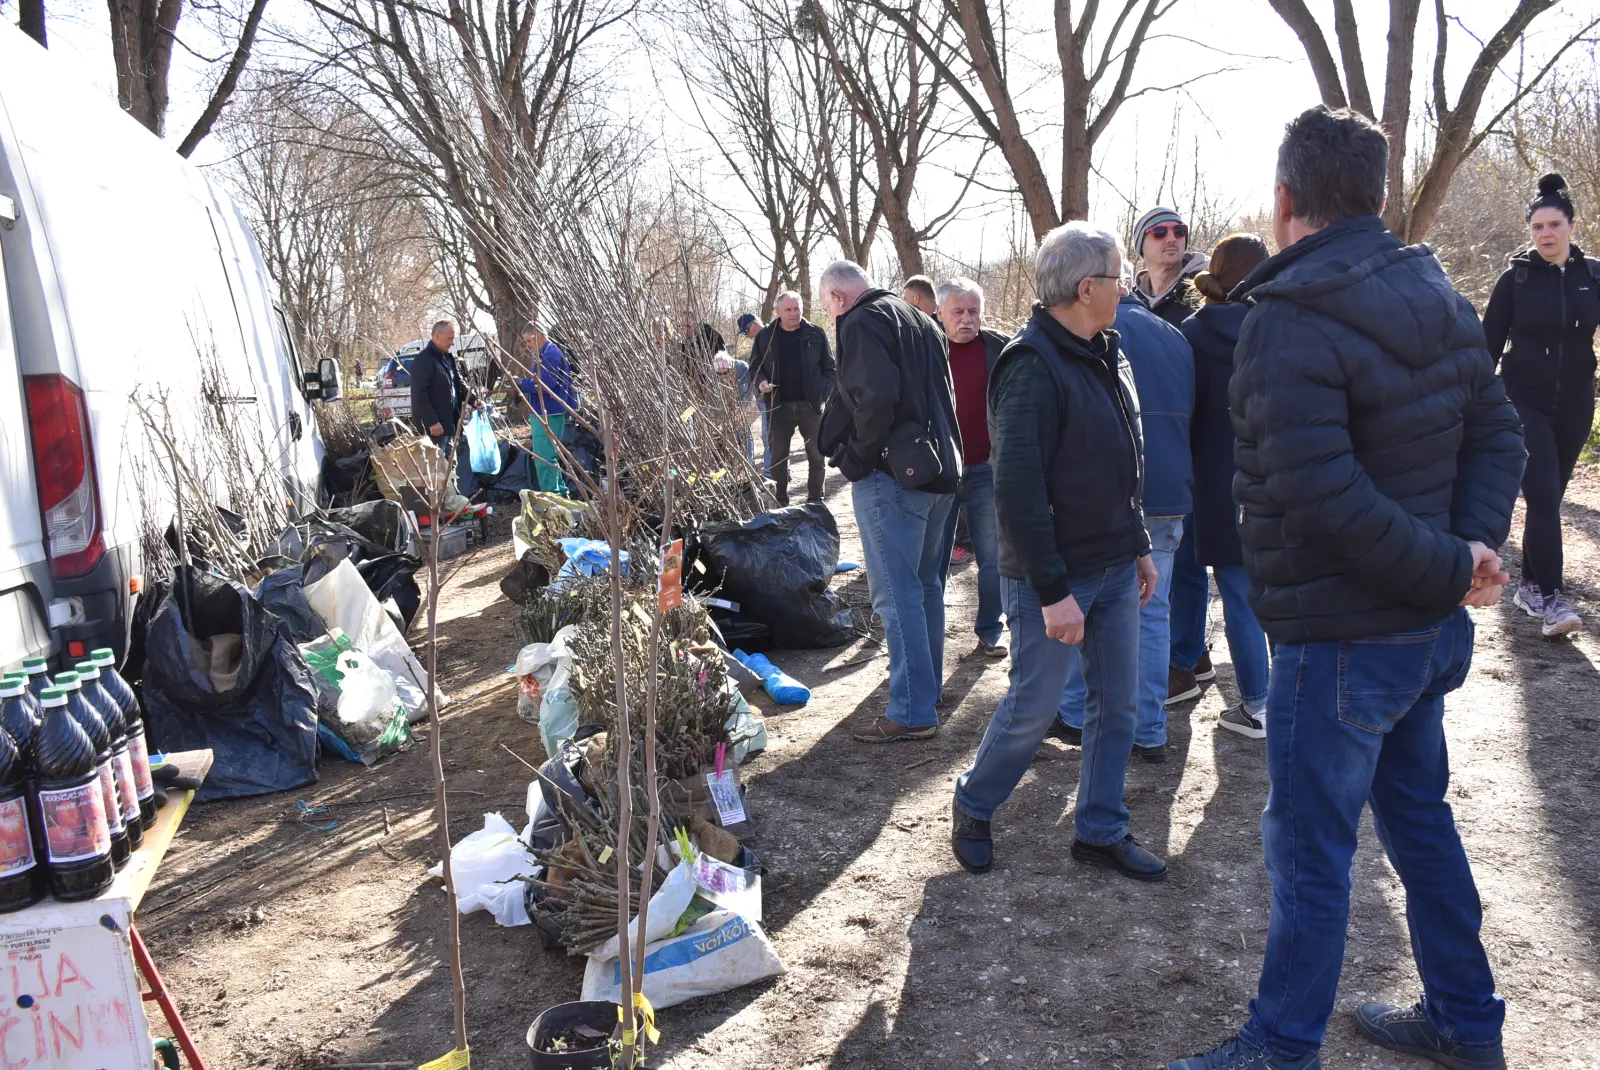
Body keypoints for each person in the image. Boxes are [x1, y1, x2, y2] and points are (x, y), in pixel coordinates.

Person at [1167, 106, 1525, 1070]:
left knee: (1314, 854)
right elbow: (1496, 436)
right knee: (1418, 822)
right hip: (1415, 626)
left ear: (1284, 202)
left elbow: (1324, 500)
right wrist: (1466, 553)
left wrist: (1466, 554)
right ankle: (1465, 1020)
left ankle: (1282, 1048)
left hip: (1347, 641)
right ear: (1374, 196)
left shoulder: (1288, 322)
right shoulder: (1435, 289)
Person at [949, 222, 1164, 880]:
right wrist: (1051, 591)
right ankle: (975, 802)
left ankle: (1099, 828)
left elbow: (1124, 458)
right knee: (1034, 707)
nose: (1126, 287)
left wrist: (1140, 546)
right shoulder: (1031, 366)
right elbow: (1016, 493)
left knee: (1117, 705)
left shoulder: (1104, 348)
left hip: (1114, 567)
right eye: (1119, 276)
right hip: (1054, 578)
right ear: (1086, 286)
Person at [1053, 259, 1193, 762]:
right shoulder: (1176, 335)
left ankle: (1072, 712)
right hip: (1172, 489)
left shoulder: (1095, 332)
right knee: (1154, 614)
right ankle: (1150, 729)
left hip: (1121, 494)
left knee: (1087, 602)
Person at [816, 260, 961, 743]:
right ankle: (926, 691)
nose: (831, 317)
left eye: (827, 308)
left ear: (837, 297)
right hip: (937, 470)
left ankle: (913, 710)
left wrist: (857, 459)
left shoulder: (861, 320)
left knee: (897, 596)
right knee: (924, 589)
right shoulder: (920, 318)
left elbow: (875, 397)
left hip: (894, 476)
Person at [1481, 172, 1600, 639]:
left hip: (1575, 401)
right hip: (1522, 398)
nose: (1546, 234)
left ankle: (1531, 585)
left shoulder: (1593, 275)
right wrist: (1474, 400)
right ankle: (1553, 599)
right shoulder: (1516, 279)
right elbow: (1486, 344)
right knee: (1545, 497)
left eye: (1554, 225)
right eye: (1538, 228)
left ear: (1572, 225)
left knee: (1548, 497)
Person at [1179, 234, 1274, 739]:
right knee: (1282, 590)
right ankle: (1291, 700)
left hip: (1215, 477)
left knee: (1237, 591)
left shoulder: (1189, 334)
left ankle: (1257, 705)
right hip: (1280, 474)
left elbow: (1185, 413)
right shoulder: (1280, 325)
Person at [935, 276, 1011, 658]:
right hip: (940, 471)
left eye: (973, 311)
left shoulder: (999, 348)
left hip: (986, 467)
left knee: (992, 556)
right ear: (940, 313)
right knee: (934, 560)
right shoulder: (927, 348)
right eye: (958, 312)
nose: (967, 319)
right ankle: (928, 640)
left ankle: (990, 630)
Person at [749, 292, 836, 505]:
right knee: (778, 458)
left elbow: (830, 368)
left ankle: (816, 500)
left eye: (797, 309)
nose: (794, 314)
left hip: (811, 406)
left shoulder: (815, 333)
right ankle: (780, 503)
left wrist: (822, 394)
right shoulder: (765, 337)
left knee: (817, 457)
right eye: (788, 310)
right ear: (778, 311)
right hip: (778, 406)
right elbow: (754, 368)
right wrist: (761, 383)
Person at [409, 317, 476, 497]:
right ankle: (436, 507)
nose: (453, 342)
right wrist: (432, 421)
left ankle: (452, 500)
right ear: (437, 336)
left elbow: (458, 385)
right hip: (433, 428)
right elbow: (419, 395)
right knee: (434, 469)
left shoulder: (448, 358)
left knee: (449, 464)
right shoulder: (424, 360)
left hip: (449, 424)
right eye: (449, 338)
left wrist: (474, 400)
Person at [514, 321, 578, 496]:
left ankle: (551, 496)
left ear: (539, 335)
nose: (527, 346)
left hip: (547, 412)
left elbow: (544, 384)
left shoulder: (550, 354)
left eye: (528, 341)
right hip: (552, 411)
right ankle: (560, 493)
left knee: (544, 457)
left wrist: (522, 383)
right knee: (551, 454)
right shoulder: (550, 352)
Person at [1133, 206, 1206, 328]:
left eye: (1179, 231)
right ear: (1141, 245)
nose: (1172, 239)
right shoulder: (1132, 301)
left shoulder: (1204, 289)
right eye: (1160, 232)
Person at [737, 312, 772, 470]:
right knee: (769, 435)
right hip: (762, 396)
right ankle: (775, 470)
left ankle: (771, 471)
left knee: (768, 435)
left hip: (772, 395)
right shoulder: (759, 342)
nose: (746, 335)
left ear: (754, 324)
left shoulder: (772, 336)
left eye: (745, 331)